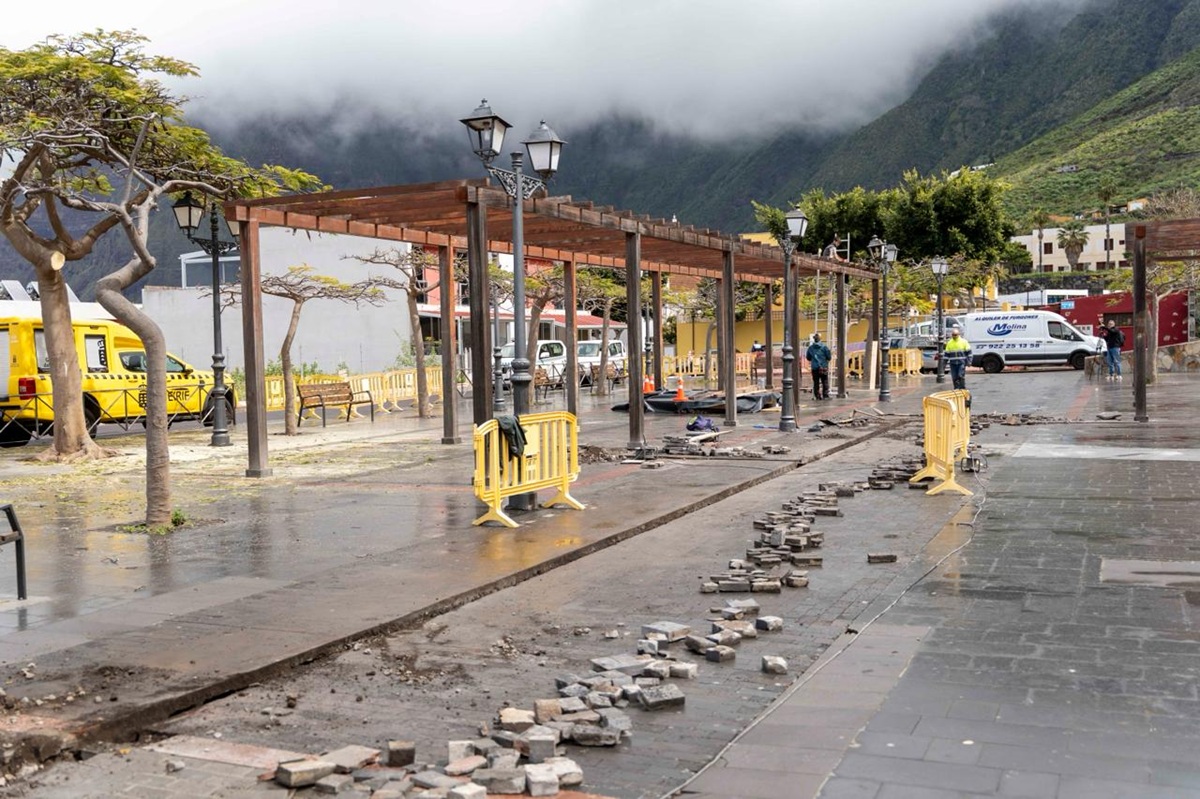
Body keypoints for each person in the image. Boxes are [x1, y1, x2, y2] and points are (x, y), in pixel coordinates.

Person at [806, 333, 832, 400]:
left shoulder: (810, 348)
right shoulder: (824, 347)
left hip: (815, 367)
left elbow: (808, 357)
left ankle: (817, 396)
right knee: (825, 381)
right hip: (823, 367)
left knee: (816, 382)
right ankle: (825, 395)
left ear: (814, 339)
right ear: (820, 339)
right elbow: (829, 357)